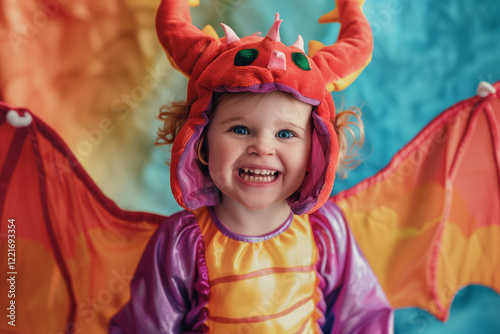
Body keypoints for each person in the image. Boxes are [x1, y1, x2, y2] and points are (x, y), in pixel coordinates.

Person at [110, 0, 394, 332]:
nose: (262, 147)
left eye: (286, 133)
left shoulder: (327, 232)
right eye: (240, 129)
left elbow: (363, 319)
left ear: (315, 151)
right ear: (201, 141)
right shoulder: (181, 244)